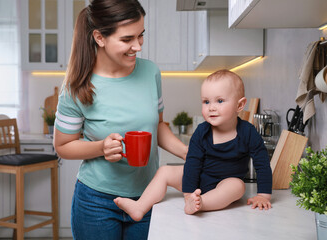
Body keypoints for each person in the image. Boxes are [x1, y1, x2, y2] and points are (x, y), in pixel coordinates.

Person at [53, 1, 188, 239]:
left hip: (148, 197)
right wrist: (100, 148)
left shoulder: (150, 73)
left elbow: (157, 126)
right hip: (96, 203)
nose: (137, 46)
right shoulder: (76, 88)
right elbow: (63, 146)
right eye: (127, 39)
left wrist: (188, 152)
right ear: (99, 37)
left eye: (141, 36)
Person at [114, 69, 273, 221]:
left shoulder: (248, 132)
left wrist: (263, 195)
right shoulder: (201, 131)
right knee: (164, 171)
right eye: (206, 102)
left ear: (240, 105)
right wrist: (188, 193)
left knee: (238, 186)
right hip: (199, 178)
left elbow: (262, 164)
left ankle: (202, 203)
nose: (211, 107)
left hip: (225, 183)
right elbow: (192, 163)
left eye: (219, 101)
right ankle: (140, 207)